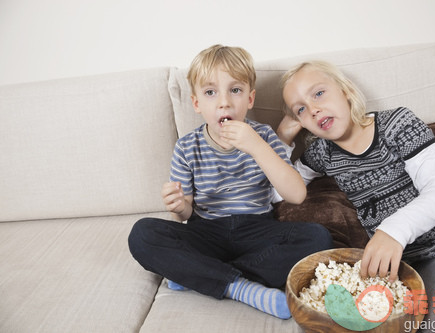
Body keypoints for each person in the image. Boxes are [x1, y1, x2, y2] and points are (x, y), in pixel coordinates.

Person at [277, 60, 435, 328]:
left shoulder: (397, 123)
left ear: (345, 91)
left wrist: (392, 231)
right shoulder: (322, 154)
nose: (313, 109)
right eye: (301, 110)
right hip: (430, 262)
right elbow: (279, 191)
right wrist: (282, 139)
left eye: (318, 93)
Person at [128, 46, 333, 319]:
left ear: (250, 99)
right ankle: (240, 288)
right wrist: (178, 206)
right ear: (197, 103)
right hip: (206, 231)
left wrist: (257, 147)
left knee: (319, 238)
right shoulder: (187, 147)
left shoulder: (263, 136)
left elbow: (296, 195)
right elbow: (183, 215)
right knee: (142, 233)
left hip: (257, 229)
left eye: (234, 90)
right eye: (211, 92)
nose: (223, 102)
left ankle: (198, 274)